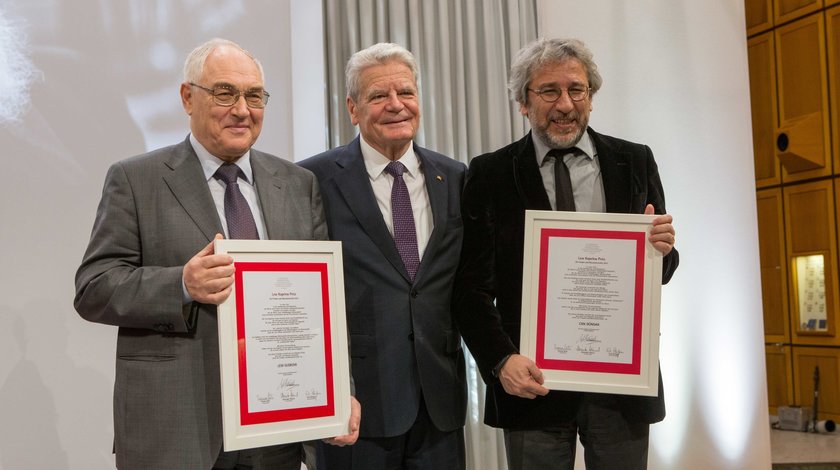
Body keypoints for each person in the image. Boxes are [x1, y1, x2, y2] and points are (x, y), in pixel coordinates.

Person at [74, 38, 359, 470]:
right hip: (177, 430)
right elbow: (93, 288)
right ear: (188, 98)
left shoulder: (298, 184)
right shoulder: (135, 179)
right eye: (225, 92)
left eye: (254, 96)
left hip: (276, 433)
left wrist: (339, 390)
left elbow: (323, 307)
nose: (242, 109)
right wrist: (181, 285)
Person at [452, 38, 679, 470]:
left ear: (591, 97)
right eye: (549, 91)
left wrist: (663, 249)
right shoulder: (491, 174)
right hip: (532, 385)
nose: (565, 104)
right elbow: (469, 288)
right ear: (523, 101)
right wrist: (500, 361)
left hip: (620, 385)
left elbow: (660, 270)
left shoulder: (634, 161)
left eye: (577, 89)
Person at [299, 43, 467, 469]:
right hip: (356, 407)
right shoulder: (310, 180)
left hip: (439, 405)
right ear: (353, 109)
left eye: (406, 93)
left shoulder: (456, 178)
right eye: (379, 96)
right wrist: (325, 390)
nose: (396, 105)